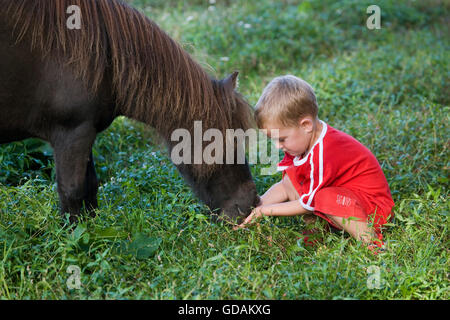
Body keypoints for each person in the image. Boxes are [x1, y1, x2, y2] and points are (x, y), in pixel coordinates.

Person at [235, 75, 394, 251]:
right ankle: (315, 236)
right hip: (348, 200)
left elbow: (308, 204)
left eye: (281, 139)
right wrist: (255, 207)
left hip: (372, 210)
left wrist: (266, 211)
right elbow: (285, 186)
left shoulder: (326, 150)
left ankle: (374, 245)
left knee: (322, 198)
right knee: (293, 180)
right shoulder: (303, 143)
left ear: (306, 125)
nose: (278, 146)